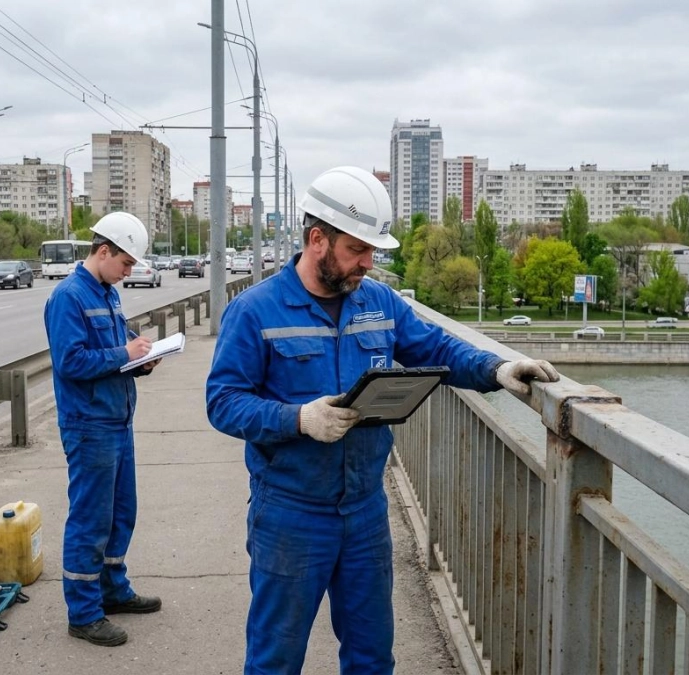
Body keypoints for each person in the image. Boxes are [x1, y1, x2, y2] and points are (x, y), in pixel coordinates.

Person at [205, 166, 561, 673]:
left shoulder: (379, 303)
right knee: (275, 659)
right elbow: (223, 402)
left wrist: (497, 368)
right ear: (316, 240)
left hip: (365, 513)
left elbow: (434, 347)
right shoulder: (255, 311)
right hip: (290, 513)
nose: (368, 264)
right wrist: (298, 419)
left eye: (373, 252)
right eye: (357, 250)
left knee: (372, 657)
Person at [43, 212, 164, 647]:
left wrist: (141, 361)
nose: (129, 271)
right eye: (126, 263)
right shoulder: (69, 297)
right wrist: (123, 352)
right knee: (90, 519)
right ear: (103, 251)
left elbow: (114, 354)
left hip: (116, 419)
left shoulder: (107, 293)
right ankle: (84, 613)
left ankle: (112, 590)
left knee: (120, 513)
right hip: (89, 424)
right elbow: (71, 362)